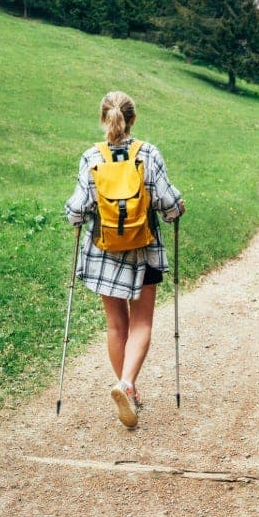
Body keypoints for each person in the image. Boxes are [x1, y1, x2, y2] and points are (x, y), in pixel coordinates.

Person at [65, 91, 185, 429]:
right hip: (143, 249)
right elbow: (169, 204)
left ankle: (126, 387)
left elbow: (76, 210)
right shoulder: (148, 153)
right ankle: (127, 385)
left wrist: (79, 218)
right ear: (132, 118)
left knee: (117, 324)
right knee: (142, 322)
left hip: (105, 252)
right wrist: (178, 208)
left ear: (104, 118)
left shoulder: (91, 157)